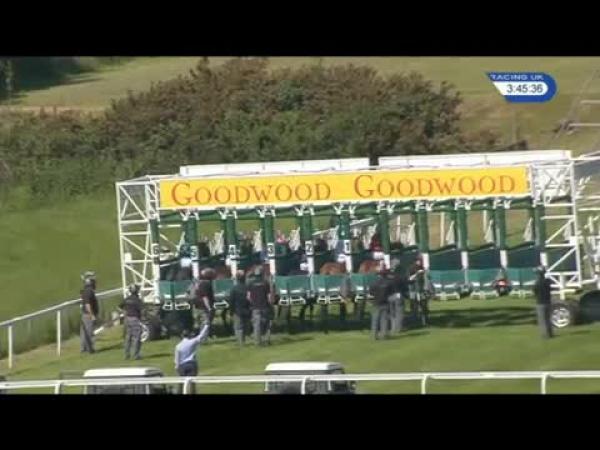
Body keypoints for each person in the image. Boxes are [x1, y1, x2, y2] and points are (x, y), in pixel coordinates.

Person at [247, 266, 271, 346]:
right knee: (266, 324)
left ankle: (257, 342)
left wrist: (252, 303)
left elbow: (248, 297)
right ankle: (266, 340)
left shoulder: (250, 283)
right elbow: (269, 296)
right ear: (262, 273)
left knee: (256, 325)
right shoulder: (265, 282)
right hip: (264, 306)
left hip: (255, 307)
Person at [369, 264, 393, 340]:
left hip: (376, 303)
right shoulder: (388, 282)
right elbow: (391, 292)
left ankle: (374, 335)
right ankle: (384, 335)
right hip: (385, 302)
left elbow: (371, 293)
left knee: (375, 320)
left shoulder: (374, 283)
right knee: (384, 320)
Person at [120, 284, 144, 360]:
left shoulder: (127, 299)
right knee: (137, 337)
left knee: (128, 338)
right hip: (135, 319)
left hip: (127, 319)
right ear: (136, 291)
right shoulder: (137, 300)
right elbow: (142, 310)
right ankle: (136, 355)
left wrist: (124, 312)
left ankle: (126, 355)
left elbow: (119, 307)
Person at [229, 270, 250, 346]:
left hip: (237, 310)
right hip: (247, 309)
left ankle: (241, 342)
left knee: (238, 327)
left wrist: (231, 311)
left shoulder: (234, 288)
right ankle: (243, 339)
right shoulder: (248, 288)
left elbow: (231, 301)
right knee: (245, 326)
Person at [191, 269, 215, 334]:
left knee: (198, 323)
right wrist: (209, 307)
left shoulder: (198, 283)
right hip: (203, 307)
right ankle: (203, 337)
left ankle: (196, 335)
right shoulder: (207, 284)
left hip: (197, 305)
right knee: (205, 323)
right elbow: (205, 297)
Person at [80, 271, 99, 354]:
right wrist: (92, 315)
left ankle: (84, 348)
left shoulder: (87, 290)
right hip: (88, 315)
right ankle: (90, 349)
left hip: (86, 314)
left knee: (85, 333)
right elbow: (88, 304)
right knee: (89, 332)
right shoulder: (89, 291)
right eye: (94, 282)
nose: (95, 283)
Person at [532, 266, 554, 339]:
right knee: (548, 318)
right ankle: (550, 333)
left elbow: (534, 291)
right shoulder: (547, 281)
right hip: (548, 301)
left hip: (540, 302)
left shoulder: (537, 283)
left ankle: (545, 335)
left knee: (542, 320)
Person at [387, 265, 408, 333]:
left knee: (392, 313)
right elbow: (405, 288)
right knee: (399, 313)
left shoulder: (388, 279)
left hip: (390, 296)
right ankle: (399, 328)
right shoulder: (399, 278)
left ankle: (393, 328)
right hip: (398, 295)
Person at [409, 258, 429, 326]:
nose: (420, 262)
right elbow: (410, 279)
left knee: (423, 305)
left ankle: (424, 321)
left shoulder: (422, 268)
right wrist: (417, 273)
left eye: (421, 261)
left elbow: (426, 278)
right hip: (414, 290)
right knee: (414, 306)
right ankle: (415, 321)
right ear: (416, 261)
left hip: (421, 289)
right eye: (419, 261)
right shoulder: (412, 268)